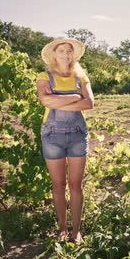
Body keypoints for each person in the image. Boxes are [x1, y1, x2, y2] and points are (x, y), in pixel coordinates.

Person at [36, 37, 94, 244]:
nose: (66, 54)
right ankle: (62, 228)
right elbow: (45, 100)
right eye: (61, 51)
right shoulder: (45, 76)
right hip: (52, 136)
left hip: (78, 134)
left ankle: (76, 230)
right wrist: (76, 98)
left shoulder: (81, 77)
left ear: (73, 55)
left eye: (69, 51)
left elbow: (90, 104)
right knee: (58, 184)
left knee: (76, 185)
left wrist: (60, 101)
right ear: (54, 54)